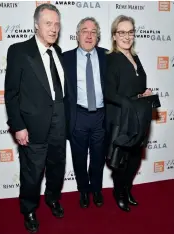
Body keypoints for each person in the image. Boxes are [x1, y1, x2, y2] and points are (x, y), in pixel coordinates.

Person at [5, 4, 66, 233]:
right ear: (36, 25)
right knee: (32, 173)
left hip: (60, 123)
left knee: (56, 167)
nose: (54, 29)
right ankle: (28, 209)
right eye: (48, 23)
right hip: (33, 126)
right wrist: (18, 126)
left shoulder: (57, 52)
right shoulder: (19, 51)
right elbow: (11, 94)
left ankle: (52, 198)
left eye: (57, 24)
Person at [105, 15, 152, 212]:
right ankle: (119, 192)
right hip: (120, 118)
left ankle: (127, 188)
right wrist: (130, 102)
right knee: (120, 161)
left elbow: (138, 85)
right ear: (114, 36)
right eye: (122, 32)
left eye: (130, 32)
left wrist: (143, 93)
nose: (127, 36)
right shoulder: (111, 59)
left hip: (138, 118)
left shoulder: (136, 57)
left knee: (134, 159)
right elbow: (109, 92)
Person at [63, 17, 107, 208]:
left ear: (98, 36)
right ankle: (83, 190)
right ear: (77, 35)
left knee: (98, 157)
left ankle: (96, 189)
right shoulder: (65, 58)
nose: (89, 35)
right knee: (78, 158)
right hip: (77, 116)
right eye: (84, 31)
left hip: (101, 116)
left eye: (93, 32)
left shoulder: (108, 56)